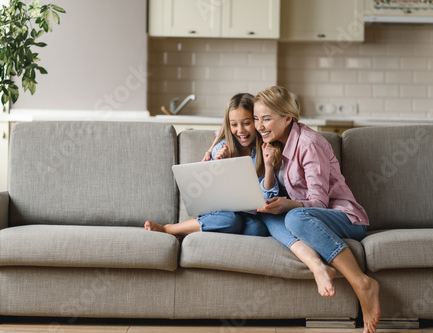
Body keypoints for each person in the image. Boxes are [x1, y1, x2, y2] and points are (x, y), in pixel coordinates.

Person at [253, 86, 381, 333]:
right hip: (306, 218)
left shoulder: (309, 143)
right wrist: (269, 167)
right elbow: (270, 196)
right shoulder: (275, 143)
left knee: (294, 217)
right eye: (257, 118)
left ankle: (362, 282)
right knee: (265, 215)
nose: (260, 126)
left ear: (288, 118)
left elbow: (320, 202)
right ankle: (317, 265)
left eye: (267, 118)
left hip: (346, 219)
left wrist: (289, 205)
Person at [144, 93, 274, 237]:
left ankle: (205, 226)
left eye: (246, 123)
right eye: (234, 124)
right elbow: (206, 190)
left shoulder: (265, 151)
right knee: (231, 220)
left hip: (249, 214)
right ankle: (170, 229)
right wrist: (220, 164)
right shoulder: (221, 148)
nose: (240, 130)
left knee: (258, 230)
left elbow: (267, 196)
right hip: (223, 212)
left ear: (256, 121)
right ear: (228, 124)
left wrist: (269, 167)